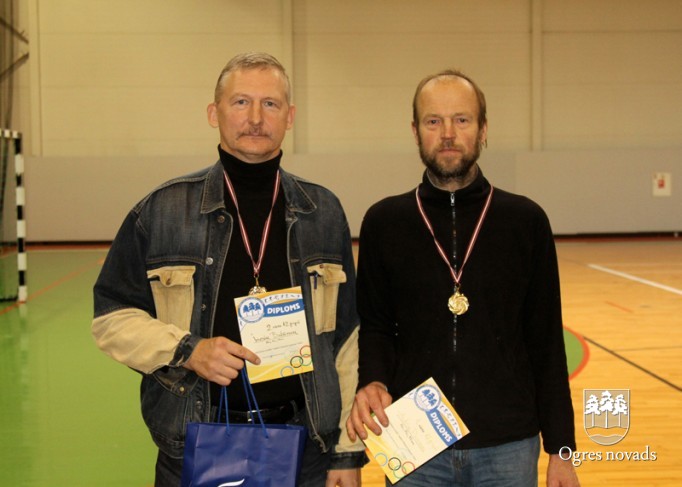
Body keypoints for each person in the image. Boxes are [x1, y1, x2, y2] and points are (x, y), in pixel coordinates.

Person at [92, 52, 365, 486]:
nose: (255, 118)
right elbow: (111, 319)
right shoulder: (162, 211)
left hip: (306, 449)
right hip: (196, 444)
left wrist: (347, 453)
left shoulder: (323, 212)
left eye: (270, 104)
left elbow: (347, 340)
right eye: (241, 102)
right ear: (213, 112)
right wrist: (188, 350)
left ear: (290, 116)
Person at [346, 69, 580, 486]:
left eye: (462, 119)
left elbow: (545, 340)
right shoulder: (385, 222)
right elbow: (376, 326)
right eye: (433, 121)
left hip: (508, 445)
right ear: (415, 132)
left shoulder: (524, 221)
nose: (448, 133)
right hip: (413, 444)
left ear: (483, 129)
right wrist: (374, 380)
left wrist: (561, 449)